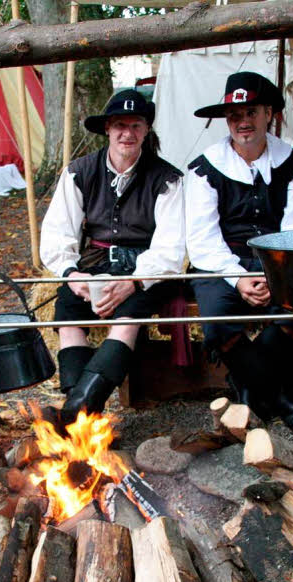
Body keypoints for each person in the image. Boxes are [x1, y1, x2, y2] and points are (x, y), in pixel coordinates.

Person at [40, 89, 185, 426]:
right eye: (120, 125)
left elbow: (170, 248)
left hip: (145, 266)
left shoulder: (168, 179)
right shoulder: (79, 172)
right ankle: (82, 413)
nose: (127, 134)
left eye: (135, 125)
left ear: (146, 130)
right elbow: (57, 231)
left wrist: (134, 281)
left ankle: (74, 414)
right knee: (68, 309)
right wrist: (72, 275)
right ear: (107, 128)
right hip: (94, 264)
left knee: (129, 315)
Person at [185, 71, 293, 433]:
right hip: (222, 263)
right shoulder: (205, 169)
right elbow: (202, 239)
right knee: (216, 319)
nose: (243, 122)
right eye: (234, 116)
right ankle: (276, 395)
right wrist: (240, 278)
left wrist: (274, 273)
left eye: (251, 112)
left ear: (269, 113)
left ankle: (248, 388)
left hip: (279, 262)